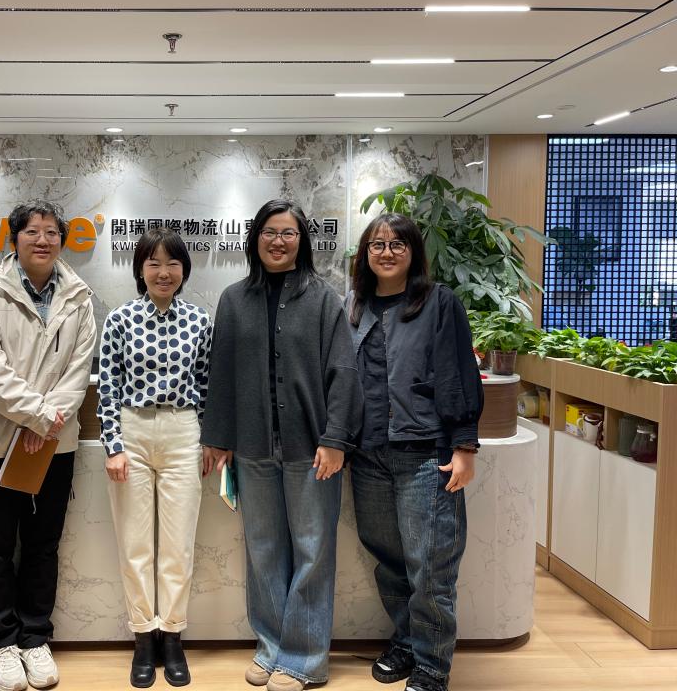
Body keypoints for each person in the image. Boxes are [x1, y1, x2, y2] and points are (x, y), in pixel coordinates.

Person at [201, 199, 363, 691]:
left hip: (312, 448)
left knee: (313, 551)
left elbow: (344, 373)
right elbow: (221, 372)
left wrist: (336, 439)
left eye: (288, 233)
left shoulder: (324, 300)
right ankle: (270, 647)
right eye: (269, 232)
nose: (278, 241)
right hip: (252, 448)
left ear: (302, 241)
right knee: (263, 549)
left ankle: (305, 659)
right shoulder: (234, 299)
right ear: (255, 239)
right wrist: (218, 437)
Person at [0, 200, 97, 691]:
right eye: (33, 232)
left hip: (53, 446)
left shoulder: (80, 296)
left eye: (52, 233)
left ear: (63, 240)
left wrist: (48, 422)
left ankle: (36, 639)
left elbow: (79, 371)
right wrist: (39, 417)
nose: (43, 241)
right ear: (14, 239)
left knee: (42, 546)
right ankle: (2, 644)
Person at [346, 213, 483, 691]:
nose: (386, 252)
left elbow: (458, 373)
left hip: (425, 454)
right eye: (377, 244)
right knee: (389, 558)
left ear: (413, 252)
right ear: (365, 254)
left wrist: (464, 445)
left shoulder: (439, 302)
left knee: (430, 566)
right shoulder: (355, 306)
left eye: (397, 244)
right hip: (369, 455)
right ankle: (407, 640)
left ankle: (432, 665)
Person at [97, 228, 213, 688]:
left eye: (172, 264)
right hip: (133, 431)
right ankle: (144, 636)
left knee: (179, 546)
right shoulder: (120, 319)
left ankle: (173, 636)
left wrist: (208, 439)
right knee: (135, 545)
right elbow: (107, 385)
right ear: (140, 270)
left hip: (184, 431)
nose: (163, 272)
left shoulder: (200, 321)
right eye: (153, 263)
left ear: (184, 270)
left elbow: (206, 383)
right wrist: (113, 445)